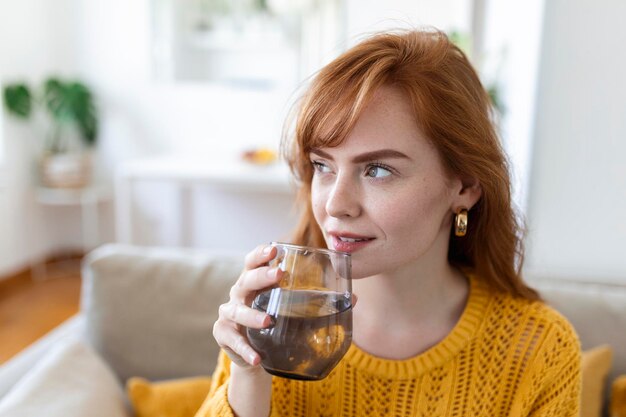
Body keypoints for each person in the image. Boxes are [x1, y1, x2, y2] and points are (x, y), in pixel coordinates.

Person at [198, 29, 581, 417]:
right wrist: (248, 376)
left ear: (464, 186)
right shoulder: (273, 321)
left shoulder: (540, 349)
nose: (336, 204)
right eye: (322, 166)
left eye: (378, 170)